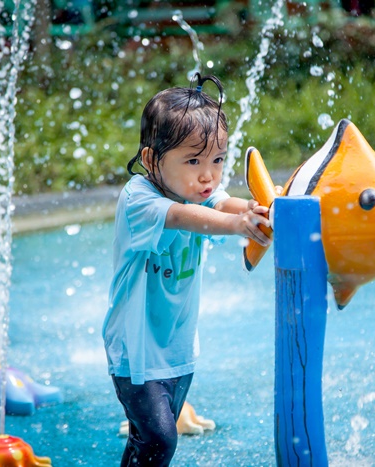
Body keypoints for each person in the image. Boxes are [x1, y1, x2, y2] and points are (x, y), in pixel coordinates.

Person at [102, 74, 271, 466]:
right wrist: (237, 224)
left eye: (217, 160)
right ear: (150, 160)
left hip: (177, 349)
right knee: (160, 440)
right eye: (193, 161)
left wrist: (256, 211)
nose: (208, 175)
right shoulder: (138, 199)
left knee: (148, 442)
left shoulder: (201, 191)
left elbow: (225, 204)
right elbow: (183, 217)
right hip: (136, 352)